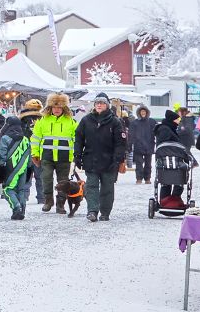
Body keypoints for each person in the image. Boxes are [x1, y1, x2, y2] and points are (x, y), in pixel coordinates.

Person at [73, 92, 126, 222]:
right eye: (97, 103)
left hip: (109, 161)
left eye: (102, 103)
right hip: (91, 159)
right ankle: (92, 211)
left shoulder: (115, 122)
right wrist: (77, 155)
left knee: (107, 187)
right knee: (91, 186)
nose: (99, 105)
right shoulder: (86, 120)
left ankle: (105, 212)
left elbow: (121, 143)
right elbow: (79, 138)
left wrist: (118, 159)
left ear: (107, 105)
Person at [32, 92, 77, 213]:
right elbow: (35, 138)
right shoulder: (43, 121)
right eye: (54, 107)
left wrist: (76, 155)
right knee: (46, 178)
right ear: (50, 107)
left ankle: (60, 204)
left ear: (64, 108)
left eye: (59, 107)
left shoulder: (71, 122)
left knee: (63, 181)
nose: (57, 109)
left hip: (64, 157)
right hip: (47, 156)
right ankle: (48, 200)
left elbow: (76, 139)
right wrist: (35, 154)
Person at [0, 116, 32, 220]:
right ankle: (22, 209)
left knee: (7, 189)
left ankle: (16, 207)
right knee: (21, 190)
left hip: (10, 169)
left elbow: (1, 154)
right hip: (24, 169)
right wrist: (29, 168)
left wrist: (0, 168)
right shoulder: (25, 139)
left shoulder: (5, 138)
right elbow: (29, 155)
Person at [153, 109, 187, 202]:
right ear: (172, 120)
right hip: (169, 160)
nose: (178, 121)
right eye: (177, 120)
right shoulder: (165, 129)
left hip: (172, 159)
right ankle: (169, 202)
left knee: (169, 182)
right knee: (169, 182)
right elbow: (167, 145)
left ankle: (170, 201)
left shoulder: (169, 128)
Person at [129, 105, 157, 184]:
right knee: (139, 164)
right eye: (141, 112)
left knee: (148, 164)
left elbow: (157, 132)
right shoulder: (135, 123)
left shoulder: (152, 122)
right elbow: (131, 135)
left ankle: (147, 178)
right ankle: (139, 178)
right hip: (138, 146)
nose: (143, 113)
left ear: (147, 112)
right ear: (139, 113)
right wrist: (129, 145)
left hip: (149, 145)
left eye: (144, 112)